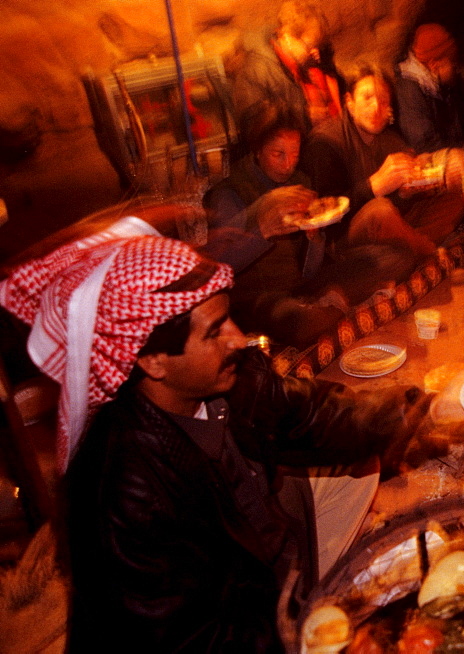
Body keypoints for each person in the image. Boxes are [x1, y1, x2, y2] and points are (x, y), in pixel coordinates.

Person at [0, 223, 429, 651]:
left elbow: (307, 412)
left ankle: (311, 592)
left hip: (262, 551)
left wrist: (409, 412)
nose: (239, 340)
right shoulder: (124, 493)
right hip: (232, 619)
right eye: (214, 331)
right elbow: (194, 640)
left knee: (361, 468)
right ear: (153, 361)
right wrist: (309, 637)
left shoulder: (223, 375)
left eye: (230, 320)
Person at [202, 103, 414, 347]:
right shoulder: (229, 193)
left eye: (295, 153)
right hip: (259, 299)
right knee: (301, 320)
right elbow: (220, 267)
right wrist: (263, 228)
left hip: (304, 286)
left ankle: (332, 303)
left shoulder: (299, 182)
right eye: (278, 154)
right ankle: (335, 305)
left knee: (398, 257)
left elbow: (309, 271)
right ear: (258, 150)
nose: (288, 164)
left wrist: (315, 236)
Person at [302, 65, 464, 257]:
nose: (377, 107)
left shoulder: (390, 140)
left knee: (452, 196)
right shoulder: (326, 141)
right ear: (350, 103)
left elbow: (402, 201)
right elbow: (326, 221)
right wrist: (374, 185)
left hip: (388, 228)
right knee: (380, 211)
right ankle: (430, 254)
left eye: (384, 100)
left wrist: (408, 192)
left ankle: (409, 248)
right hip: (342, 237)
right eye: (367, 98)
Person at [229, 0, 343, 140]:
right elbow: (252, 124)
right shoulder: (255, 71)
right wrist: (305, 116)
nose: (313, 51)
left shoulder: (302, 64)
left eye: (317, 45)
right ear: (288, 36)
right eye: (308, 45)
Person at [395, 23, 464, 153]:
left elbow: (463, 124)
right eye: (451, 62)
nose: (455, 67)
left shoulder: (446, 84)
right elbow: (424, 144)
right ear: (434, 64)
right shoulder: (409, 91)